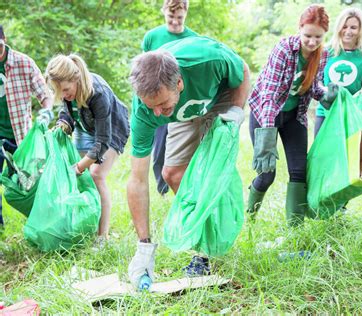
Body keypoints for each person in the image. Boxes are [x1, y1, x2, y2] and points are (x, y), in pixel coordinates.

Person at [127, 36, 250, 286]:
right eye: (151, 106)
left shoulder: (208, 60)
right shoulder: (145, 111)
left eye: (160, 104)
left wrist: (237, 109)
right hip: (183, 112)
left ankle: (205, 251)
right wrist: (144, 246)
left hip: (218, 96)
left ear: (179, 83)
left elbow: (243, 70)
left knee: (213, 173)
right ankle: (204, 232)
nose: (157, 114)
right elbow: (137, 179)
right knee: (171, 173)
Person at [247, 4, 337, 226]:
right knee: (267, 174)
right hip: (266, 115)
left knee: (299, 172)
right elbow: (269, 94)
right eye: (307, 35)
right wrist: (267, 135)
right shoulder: (284, 50)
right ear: (299, 29)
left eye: (318, 37)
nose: (312, 42)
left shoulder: (322, 54)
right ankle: (248, 215)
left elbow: (311, 86)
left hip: (294, 116)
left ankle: (294, 230)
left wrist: (326, 95)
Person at [45, 54, 130, 239]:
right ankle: (87, 226)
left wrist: (78, 167)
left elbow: (102, 142)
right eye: (60, 93)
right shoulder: (66, 90)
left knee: (96, 174)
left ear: (76, 78)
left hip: (111, 129)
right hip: (85, 126)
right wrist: (62, 124)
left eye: (66, 90)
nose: (64, 95)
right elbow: (66, 111)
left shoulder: (98, 94)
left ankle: (102, 237)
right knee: (83, 181)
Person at [142, 0, 198, 196]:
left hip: (183, 103)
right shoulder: (152, 37)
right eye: (171, 17)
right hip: (160, 103)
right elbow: (145, 72)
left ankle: (187, 185)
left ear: (186, 14)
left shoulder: (193, 38)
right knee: (159, 151)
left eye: (179, 18)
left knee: (185, 151)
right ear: (164, 12)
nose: (175, 22)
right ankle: (162, 190)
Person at [0, 25, 53, 228]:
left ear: (4, 39)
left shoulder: (23, 63)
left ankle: (37, 224)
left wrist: (46, 111)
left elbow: (45, 94)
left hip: (20, 137)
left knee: (26, 185)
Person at [314, 7, 362, 137]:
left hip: (352, 113)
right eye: (344, 26)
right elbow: (316, 81)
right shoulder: (325, 51)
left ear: (360, 30)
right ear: (338, 28)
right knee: (322, 156)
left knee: (351, 156)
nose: (348, 31)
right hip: (326, 112)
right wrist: (326, 92)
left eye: (353, 27)